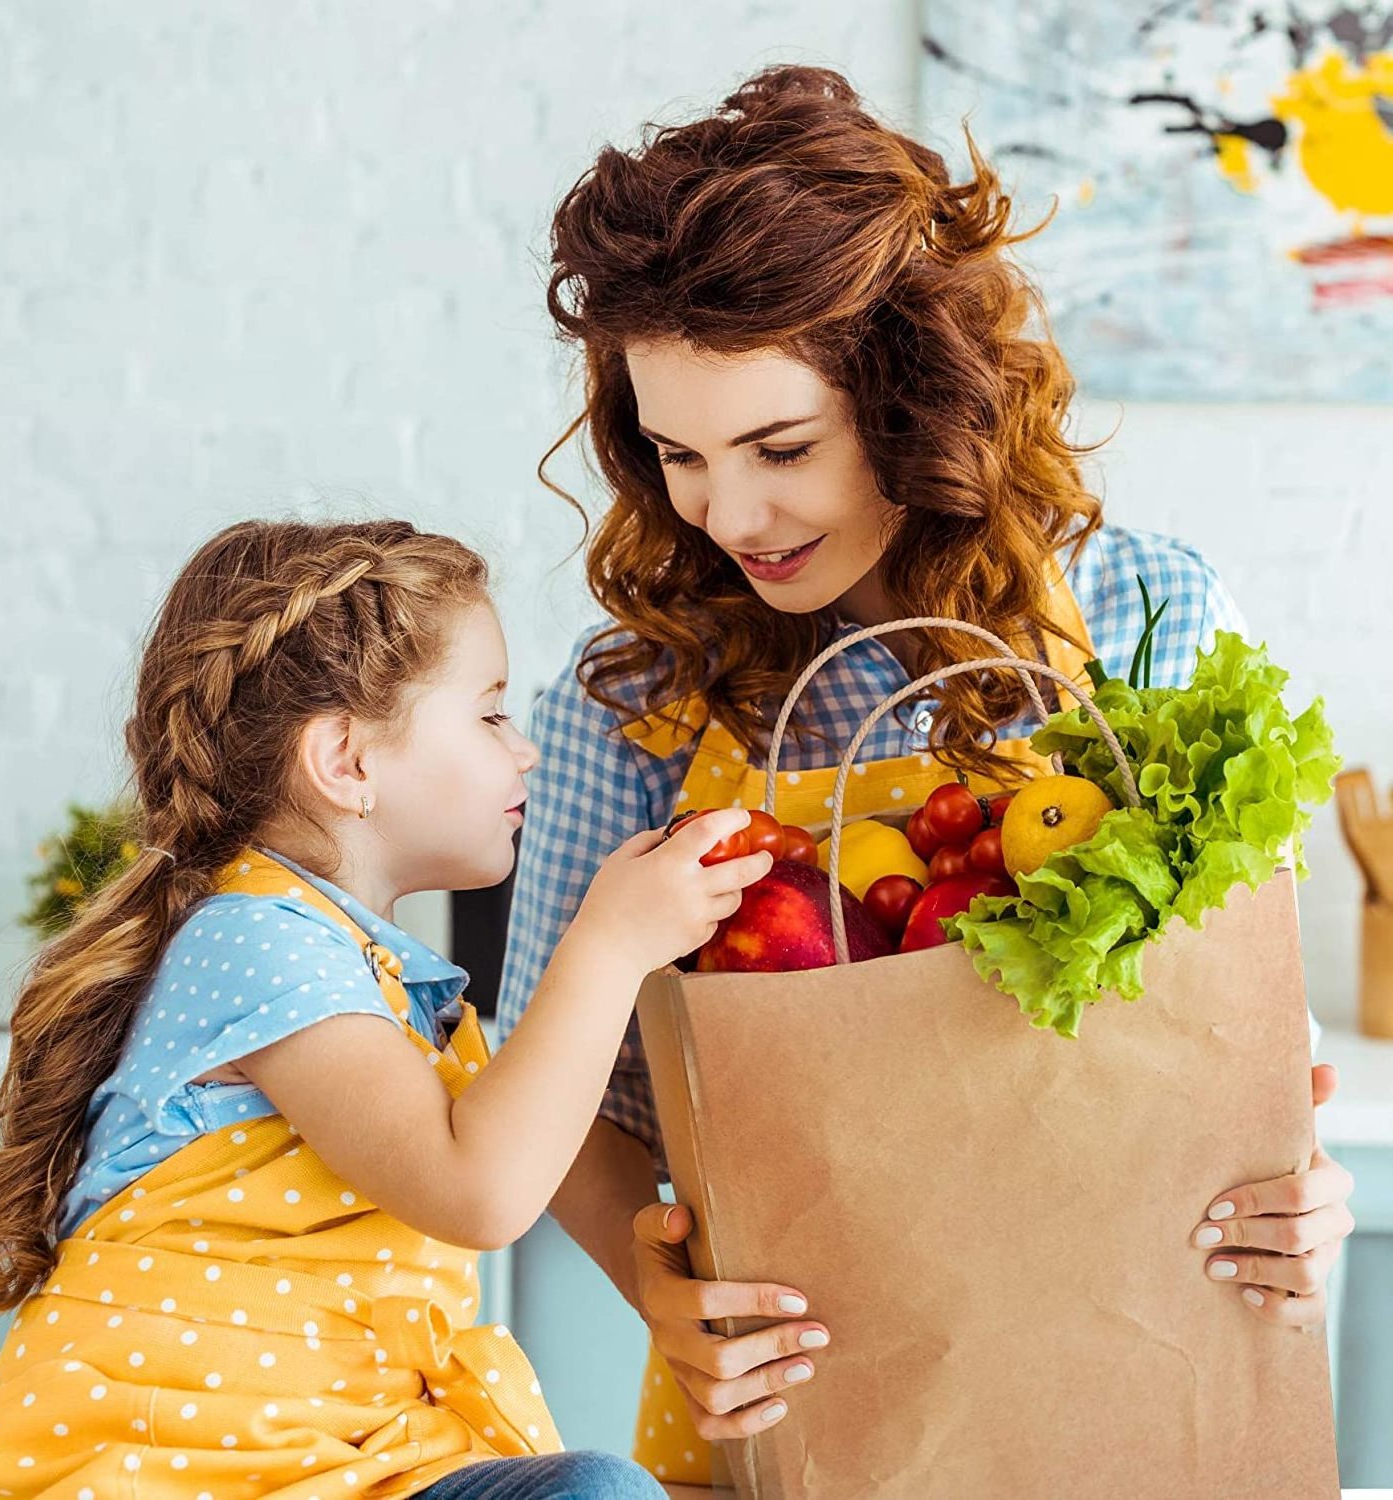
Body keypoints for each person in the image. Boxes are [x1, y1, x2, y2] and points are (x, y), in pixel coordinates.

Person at [498, 64, 1356, 1486]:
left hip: (1143, 1374)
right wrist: (661, 1295)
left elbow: (1239, 1045)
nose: (732, 516)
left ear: (911, 397)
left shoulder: (1150, 614)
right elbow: (562, 1092)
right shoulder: (632, 696)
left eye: (782, 448)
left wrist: (1301, 1203)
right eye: (680, 457)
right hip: (806, 1401)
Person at [0, 518, 769, 1499]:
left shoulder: (360, 968)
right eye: (490, 716)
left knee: (595, 1489)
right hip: (178, 1475)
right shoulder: (256, 940)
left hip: (344, 1466)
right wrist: (613, 944)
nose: (528, 753)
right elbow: (481, 1192)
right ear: (348, 762)